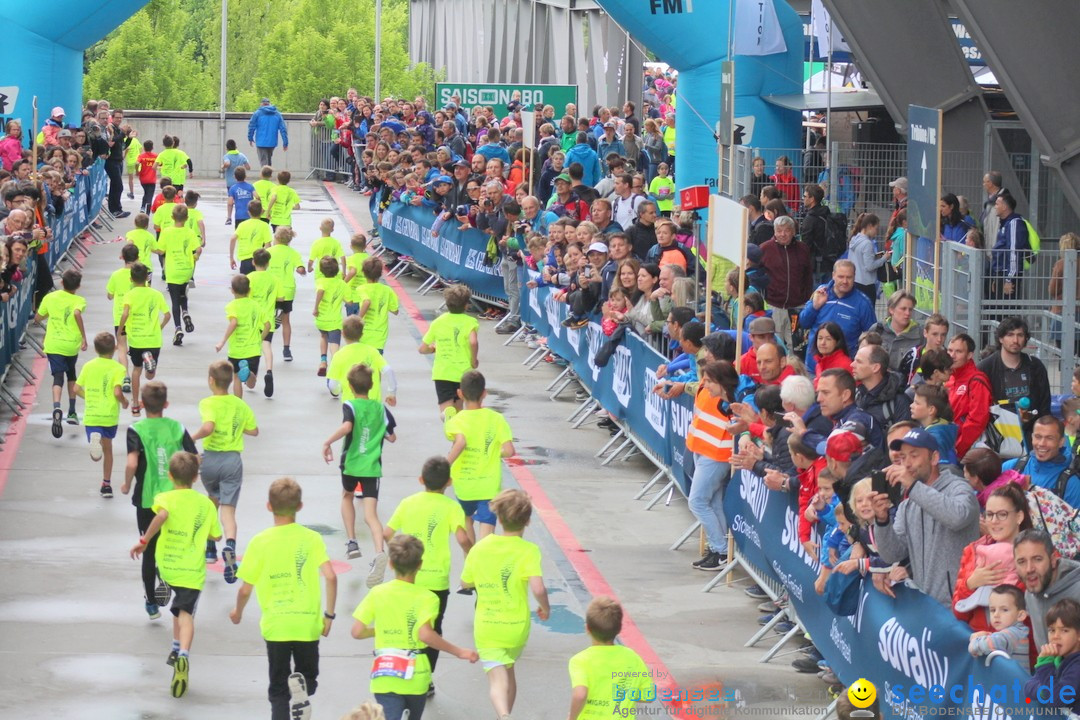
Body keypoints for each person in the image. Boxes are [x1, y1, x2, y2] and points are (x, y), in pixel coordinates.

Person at [230, 477, 337, 720]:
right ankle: (303, 689)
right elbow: (330, 577)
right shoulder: (312, 539)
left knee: (278, 688)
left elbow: (245, 590)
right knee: (308, 677)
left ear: (269, 506)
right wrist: (329, 616)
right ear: (300, 507)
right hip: (306, 623)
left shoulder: (259, 542)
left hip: (276, 625)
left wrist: (237, 612)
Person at [352, 534, 478, 720]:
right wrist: (459, 651)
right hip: (415, 675)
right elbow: (425, 634)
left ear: (391, 564)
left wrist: (380, 630)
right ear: (419, 565)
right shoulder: (428, 598)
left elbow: (357, 631)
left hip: (385, 673)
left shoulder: (377, 593)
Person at [129, 451, 222, 699]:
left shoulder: (165, 498)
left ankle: (174, 647)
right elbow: (217, 536)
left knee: (176, 608)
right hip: (192, 570)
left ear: (170, 476)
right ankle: (183, 655)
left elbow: (161, 516)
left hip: (168, 566)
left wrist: (144, 540)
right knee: (186, 614)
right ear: (196, 477)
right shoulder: (206, 504)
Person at [384, 456, 472, 693]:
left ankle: (403, 669)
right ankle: (427, 677)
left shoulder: (408, 502)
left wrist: (398, 552)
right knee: (432, 628)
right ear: (449, 482)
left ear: (421, 479)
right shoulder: (452, 507)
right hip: (436, 580)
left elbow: (387, 532)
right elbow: (462, 538)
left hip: (408, 577)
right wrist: (469, 552)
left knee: (407, 623)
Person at [460, 489, 551, 720]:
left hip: (488, 625)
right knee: (508, 669)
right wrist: (545, 608)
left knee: (497, 678)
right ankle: (507, 712)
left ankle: (503, 714)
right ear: (528, 521)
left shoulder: (480, 547)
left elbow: (465, 581)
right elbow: (538, 588)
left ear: (498, 518)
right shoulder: (529, 551)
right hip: (516, 626)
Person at [870, 427, 981, 606]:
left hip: (962, 604)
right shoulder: (908, 503)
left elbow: (957, 517)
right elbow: (892, 554)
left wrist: (913, 487)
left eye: (914, 455)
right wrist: (882, 520)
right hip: (927, 608)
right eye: (903, 457)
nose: (907, 464)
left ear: (934, 458)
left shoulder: (959, 488)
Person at [122, 381, 197, 618]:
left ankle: (151, 603)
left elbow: (132, 463)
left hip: (148, 498)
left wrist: (126, 484)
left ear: (142, 404)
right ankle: (171, 581)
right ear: (166, 404)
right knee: (174, 542)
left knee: (148, 545)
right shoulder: (177, 428)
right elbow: (194, 457)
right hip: (176, 497)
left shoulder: (136, 430)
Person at [321, 364, 397, 584]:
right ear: (372, 385)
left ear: (351, 387)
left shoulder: (350, 405)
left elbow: (347, 428)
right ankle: (379, 551)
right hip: (372, 467)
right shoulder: (381, 409)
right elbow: (392, 437)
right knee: (371, 515)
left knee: (347, 495)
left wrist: (327, 442)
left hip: (352, 464)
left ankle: (352, 541)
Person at [191, 360, 259, 575]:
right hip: (232, 461)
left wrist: (192, 436)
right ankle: (229, 544)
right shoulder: (240, 405)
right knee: (228, 511)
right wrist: (236, 428)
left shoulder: (208, 403)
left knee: (213, 502)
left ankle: (210, 549)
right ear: (231, 381)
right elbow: (254, 430)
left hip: (210, 460)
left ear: (211, 380)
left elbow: (209, 427)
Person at [445, 370, 515, 544]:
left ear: (460, 393)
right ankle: (484, 561)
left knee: (466, 520)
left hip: (464, 484)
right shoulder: (497, 419)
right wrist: (494, 452)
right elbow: (510, 450)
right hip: (489, 486)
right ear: (484, 393)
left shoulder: (456, 421)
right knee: (487, 532)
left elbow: (456, 441)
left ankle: (470, 561)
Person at [953, 482, 1032, 634]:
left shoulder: (1038, 553)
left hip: (1021, 649)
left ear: (1019, 516)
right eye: (989, 514)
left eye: (1002, 514)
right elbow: (958, 613)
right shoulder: (973, 552)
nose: (994, 521)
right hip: (979, 645)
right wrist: (970, 584)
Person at [687, 361, 740, 571]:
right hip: (702, 448)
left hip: (716, 454)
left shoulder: (734, 401)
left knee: (697, 502)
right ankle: (719, 549)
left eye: (709, 381)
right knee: (714, 503)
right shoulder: (717, 395)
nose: (705, 384)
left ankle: (720, 550)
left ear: (721, 381)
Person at [567, 596, 651, 720]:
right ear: (619, 629)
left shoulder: (579, 661)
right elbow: (648, 695)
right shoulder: (633, 658)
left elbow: (580, 694)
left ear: (587, 628)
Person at [73, 332, 129, 498]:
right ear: (114, 348)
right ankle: (106, 484)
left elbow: (75, 389)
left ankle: (93, 438)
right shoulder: (119, 368)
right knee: (108, 450)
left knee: (96, 454)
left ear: (95, 349)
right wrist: (124, 402)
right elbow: (117, 392)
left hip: (92, 413)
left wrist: (88, 396)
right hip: (109, 415)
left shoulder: (88, 366)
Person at [978, 317, 1052, 438]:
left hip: (1032, 434)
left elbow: (1045, 406)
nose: (1015, 340)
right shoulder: (985, 368)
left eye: (1020, 335)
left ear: (1025, 339)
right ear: (1001, 338)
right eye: (1010, 335)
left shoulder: (1036, 366)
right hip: (998, 435)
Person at [798, 260, 877, 374]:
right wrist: (814, 307)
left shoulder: (862, 303)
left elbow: (871, 337)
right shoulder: (821, 293)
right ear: (833, 275)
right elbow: (804, 322)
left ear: (854, 277)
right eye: (841, 277)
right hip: (814, 367)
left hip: (842, 370)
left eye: (849, 277)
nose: (844, 281)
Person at [36, 270, 88, 438]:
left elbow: (37, 318)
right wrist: (84, 338)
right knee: (71, 374)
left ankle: (57, 406)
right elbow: (77, 313)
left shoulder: (50, 298)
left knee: (58, 377)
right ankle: (72, 411)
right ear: (78, 286)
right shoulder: (79, 300)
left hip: (54, 344)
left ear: (61, 283)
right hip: (71, 345)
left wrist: (49, 314)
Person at [120, 262, 171, 416]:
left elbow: (125, 314)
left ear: (131, 279)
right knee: (150, 375)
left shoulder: (129, 295)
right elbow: (168, 316)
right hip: (153, 339)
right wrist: (159, 328)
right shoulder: (156, 294)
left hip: (136, 339)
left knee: (136, 370)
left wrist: (121, 330)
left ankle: (135, 405)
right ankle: (149, 361)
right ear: (147, 278)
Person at [419, 285, 479, 415]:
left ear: (447, 304)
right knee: (459, 408)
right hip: (463, 372)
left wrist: (432, 349)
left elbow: (423, 349)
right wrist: (474, 360)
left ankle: (447, 417)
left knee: (446, 409)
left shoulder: (438, 322)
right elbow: (473, 342)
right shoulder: (470, 322)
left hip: (443, 372)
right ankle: (457, 429)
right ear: (466, 305)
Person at [1003, 417, 1080, 507]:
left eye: (1049, 438)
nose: (1042, 443)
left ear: (1061, 442)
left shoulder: (1071, 483)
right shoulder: (1009, 468)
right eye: (1038, 437)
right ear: (1032, 438)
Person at [760, 215, 812, 349]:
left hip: (797, 307)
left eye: (787, 230)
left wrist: (806, 298)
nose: (783, 234)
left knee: (796, 345)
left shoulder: (803, 249)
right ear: (774, 232)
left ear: (793, 231)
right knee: (775, 345)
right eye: (779, 230)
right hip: (774, 306)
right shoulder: (765, 249)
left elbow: (808, 276)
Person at [215, 274, 270, 398]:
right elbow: (268, 325)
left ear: (232, 290)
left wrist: (222, 342)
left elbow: (234, 322)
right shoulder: (256, 305)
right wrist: (260, 339)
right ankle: (249, 373)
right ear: (249, 290)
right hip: (253, 349)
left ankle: (239, 404)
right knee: (251, 384)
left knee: (237, 378)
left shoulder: (231, 306)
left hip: (236, 350)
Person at [154, 204, 201, 346]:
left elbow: (161, 251)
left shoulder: (167, 232)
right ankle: (185, 311)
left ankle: (178, 328)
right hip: (186, 269)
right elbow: (198, 249)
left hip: (173, 270)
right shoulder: (190, 232)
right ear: (187, 218)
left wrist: (150, 248)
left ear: (172, 217)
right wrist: (195, 257)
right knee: (182, 293)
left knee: (175, 300)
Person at [1024, 597, 1080, 715]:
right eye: (1051, 630)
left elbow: (1058, 699)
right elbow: (1028, 687)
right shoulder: (1055, 658)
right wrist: (1046, 692)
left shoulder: (1077, 665)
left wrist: (1045, 666)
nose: (1055, 636)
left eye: (1064, 630)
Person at [326, 316, 395, 404]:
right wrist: (391, 393)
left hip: (351, 404)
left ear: (342, 333)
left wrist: (338, 390)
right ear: (362, 334)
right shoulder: (372, 351)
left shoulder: (339, 355)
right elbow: (388, 370)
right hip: (373, 402)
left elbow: (332, 385)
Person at [967, 585, 1031, 671]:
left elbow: (983, 646)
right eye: (993, 610)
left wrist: (974, 641)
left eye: (1004, 610)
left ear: (1020, 615)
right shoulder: (1016, 632)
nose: (996, 615)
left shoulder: (1013, 634)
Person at [267, 226, 306, 362]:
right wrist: (302, 271)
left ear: (276, 238)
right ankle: (286, 350)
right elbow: (300, 268)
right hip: (287, 289)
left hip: (271, 289)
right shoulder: (293, 253)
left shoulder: (269, 251)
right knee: (286, 321)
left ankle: (266, 344)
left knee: (267, 318)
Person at [246, 249, 281, 397]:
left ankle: (251, 372)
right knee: (266, 345)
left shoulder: (249, 278)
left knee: (252, 347)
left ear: (253, 262)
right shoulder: (274, 279)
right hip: (268, 319)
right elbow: (280, 298)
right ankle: (269, 371)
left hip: (252, 318)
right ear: (268, 263)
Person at [852, 344, 911, 429]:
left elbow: (902, 438)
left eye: (859, 362)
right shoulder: (856, 394)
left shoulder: (898, 402)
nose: (852, 365)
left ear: (875, 368)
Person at [106, 244, 139, 391]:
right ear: (138, 258)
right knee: (136, 345)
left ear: (123, 258)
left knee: (121, 348)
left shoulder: (116, 275)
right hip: (136, 316)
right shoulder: (140, 274)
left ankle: (125, 377)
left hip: (120, 317)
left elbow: (110, 295)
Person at [989, 191, 1030, 305]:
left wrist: (1009, 279)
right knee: (998, 311)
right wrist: (995, 277)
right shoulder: (1005, 224)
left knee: (1007, 313)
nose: (995, 207)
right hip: (1000, 273)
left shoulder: (1014, 223)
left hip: (1007, 275)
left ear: (1005, 207)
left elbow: (1014, 252)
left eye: (997, 204)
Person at [314, 257, 351, 377]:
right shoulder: (341, 283)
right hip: (335, 321)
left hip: (322, 319)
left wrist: (316, 307)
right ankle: (334, 373)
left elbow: (320, 291)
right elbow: (349, 301)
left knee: (323, 336)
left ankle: (323, 361)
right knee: (334, 347)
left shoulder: (321, 281)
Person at [354, 257, 399, 354]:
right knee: (377, 362)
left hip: (364, 331)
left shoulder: (361, 289)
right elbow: (395, 310)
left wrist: (358, 320)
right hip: (380, 333)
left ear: (364, 273)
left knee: (362, 361)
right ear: (380, 273)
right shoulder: (387, 290)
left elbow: (366, 302)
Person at [846, 212, 885, 303]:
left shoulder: (854, 239)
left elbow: (860, 259)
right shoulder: (867, 243)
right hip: (866, 283)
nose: (877, 232)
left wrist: (874, 256)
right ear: (870, 226)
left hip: (855, 280)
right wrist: (884, 258)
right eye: (876, 228)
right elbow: (869, 266)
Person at [248, 98, 289, 167]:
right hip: (272, 142)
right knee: (269, 161)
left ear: (261, 104)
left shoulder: (257, 113)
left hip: (261, 142)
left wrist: (250, 138)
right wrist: (285, 143)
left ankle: (265, 176)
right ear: (269, 104)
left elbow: (251, 126)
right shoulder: (277, 114)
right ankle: (268, 175)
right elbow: (283, 129)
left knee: (264, 162)